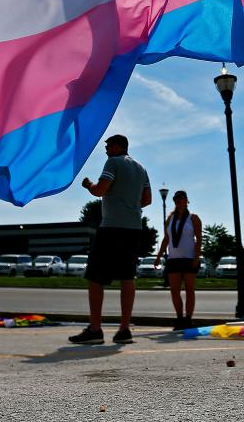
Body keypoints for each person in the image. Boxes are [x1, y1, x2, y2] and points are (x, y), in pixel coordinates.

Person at [69, 135, 151, 345]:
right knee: (127, 277)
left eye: (108, 146)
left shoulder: (113, 162)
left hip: (111, 227)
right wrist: (130, 204)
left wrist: (89, 185)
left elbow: (100, 190)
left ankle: (95, 329)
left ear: (117, 146)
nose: (105, 150)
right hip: (133, 228)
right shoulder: (141, 168)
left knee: (96, 277)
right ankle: (124, 329)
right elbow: (147, 200)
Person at [154, 190, 203, 330]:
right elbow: (166, 239)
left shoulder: (193, 218)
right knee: (174, 291)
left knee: (189, 290)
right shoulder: (170, 218)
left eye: (182, 198)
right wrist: (158, 256)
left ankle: (188, 319)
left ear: (187, 200)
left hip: (189, 258)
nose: (179, 201)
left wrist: (196, 257)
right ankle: (179, 318)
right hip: (173, 259)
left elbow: (199, 239)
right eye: (176, 199)